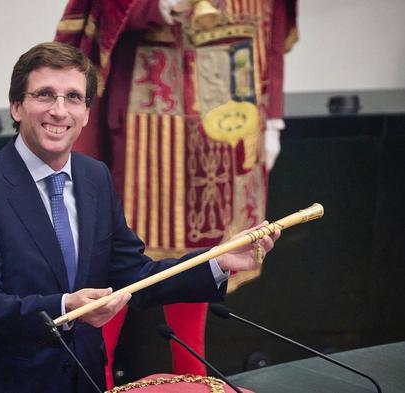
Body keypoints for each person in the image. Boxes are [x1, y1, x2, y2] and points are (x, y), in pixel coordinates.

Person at [0, 41, 279, 393]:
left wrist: (218, 260)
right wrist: (65, 307)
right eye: (45, 95)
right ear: (16, 107)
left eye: (73, 97)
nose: (59, 111)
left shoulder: (95, 178)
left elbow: (133, 274)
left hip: (85, 381)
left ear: (87, 112)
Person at [55, 0, 297, 384]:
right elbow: (100, 14)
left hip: (232, 115)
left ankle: (195, 380)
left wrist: (273, 118)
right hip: (150, 121)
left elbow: (272, 24)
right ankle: (94, 380)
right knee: (120, 257)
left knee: (208, 251)